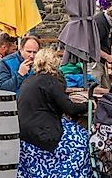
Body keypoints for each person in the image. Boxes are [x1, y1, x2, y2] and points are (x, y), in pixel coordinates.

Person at [16, 49, 90, 178]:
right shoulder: (51, 81)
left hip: (23, 132)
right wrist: (88, 105)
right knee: (83, 139)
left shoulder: (29, 81)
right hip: (42, 132)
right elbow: (70, 108)